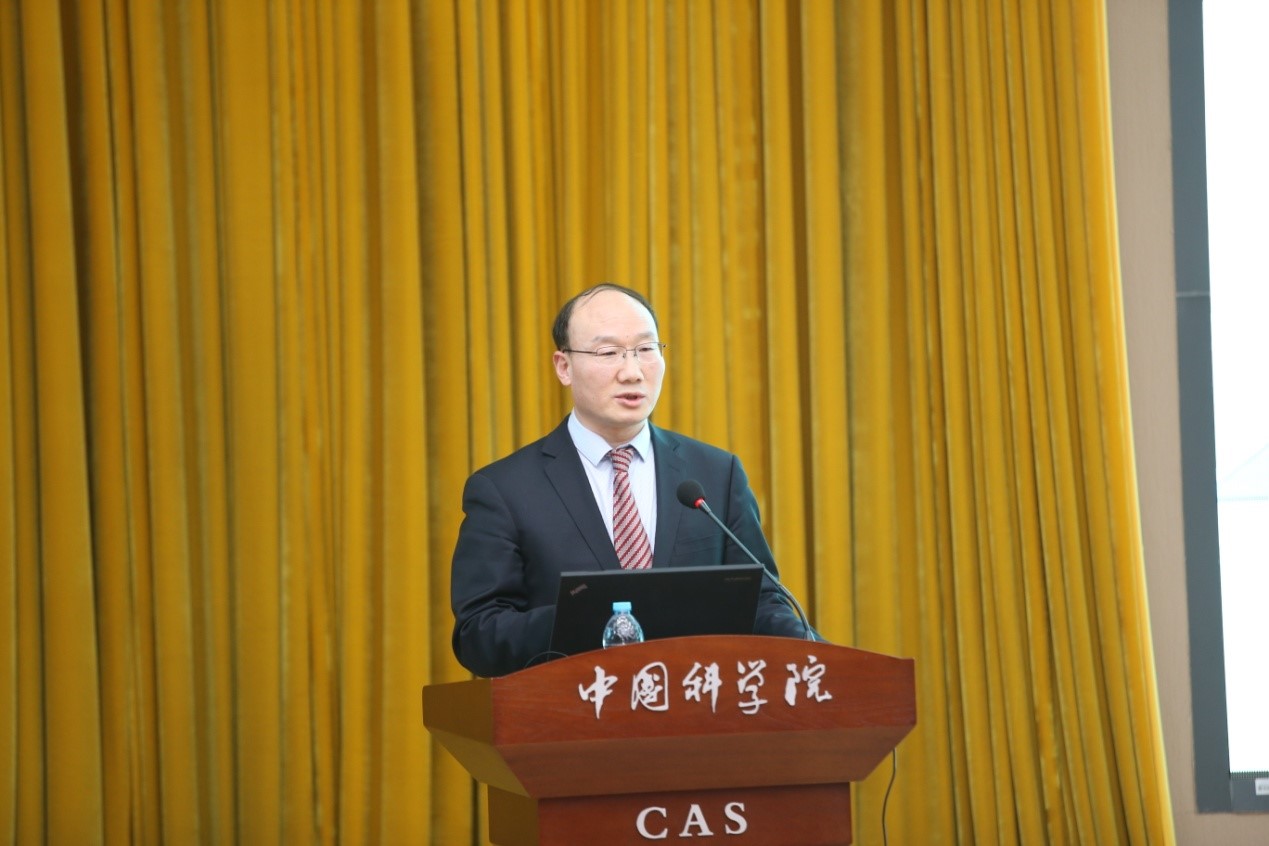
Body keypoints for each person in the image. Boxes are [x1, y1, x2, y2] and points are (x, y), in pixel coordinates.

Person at [450, 283, 814, 677]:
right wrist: (592, 615)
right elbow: (478, 634)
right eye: (608, 353)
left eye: (645, 349)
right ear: (564, 367)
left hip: (698, 706)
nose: (632, 371)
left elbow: (762, 603)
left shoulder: (714, 474)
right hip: (575, 707)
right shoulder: (505, 490)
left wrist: (824, 659)